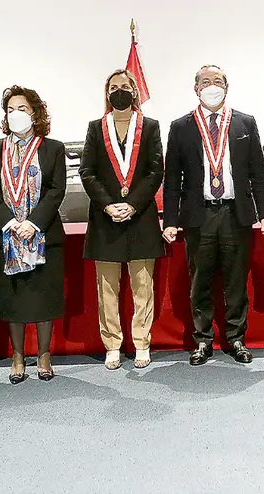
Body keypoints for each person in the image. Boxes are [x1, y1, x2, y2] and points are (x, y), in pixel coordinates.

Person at [162, 64, 264, 366]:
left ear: (226, 87)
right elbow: (172, 178)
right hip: (199, 215)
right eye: (205, 82)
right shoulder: (181, 126)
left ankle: (236, 338)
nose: (212, 86)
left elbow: (257, 172)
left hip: (235, 212)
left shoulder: (244, 122)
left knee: (235, 280)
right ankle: (202, 340)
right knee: (200, 280)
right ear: (196, 89)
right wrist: (170, 220)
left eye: (217, 81)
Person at [0, 86, 67, 383]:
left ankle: (43, 355)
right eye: (10, 110)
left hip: (42, 235)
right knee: (12, 300)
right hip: (6, 237)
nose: (15, 114)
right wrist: (10, 223)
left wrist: (33, 223)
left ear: (35, 113)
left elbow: (56, 191)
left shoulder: (53, 148)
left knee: (43, 299)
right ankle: (18, 356)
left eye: (22, 109)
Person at [80, 69, 164, 370]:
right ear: (107, 93)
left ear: (134, 91)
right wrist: (108, 205)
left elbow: (156, 170)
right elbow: (87, 171)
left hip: (140, 217)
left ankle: (142, 342)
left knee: (143, 287)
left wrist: (132, 204)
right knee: (107, 289)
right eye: (113, 87)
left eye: (125, 87)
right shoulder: (95, 128)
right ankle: (112, 344)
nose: (119, 92)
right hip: (106, 219)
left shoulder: (150, 127)